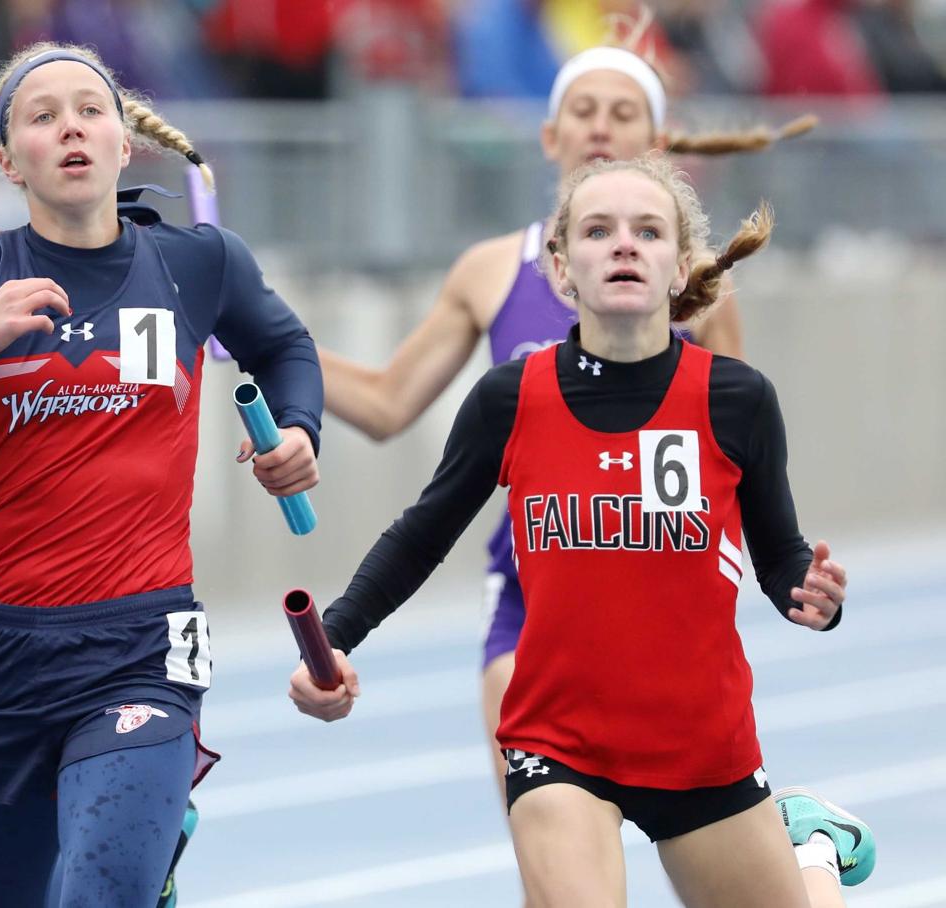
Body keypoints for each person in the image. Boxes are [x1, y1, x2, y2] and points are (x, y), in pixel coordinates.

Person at [0, 42, 323, 908]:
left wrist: (298, 430)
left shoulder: (196, 263)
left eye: (89, 110)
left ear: (123, 142)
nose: (69, 126)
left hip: (140, 648)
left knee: (96, 897)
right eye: (42, 117)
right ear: (7, 160)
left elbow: (287, 346)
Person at [291, 154, 872, 906]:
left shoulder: (736, 400)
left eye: (647, 231)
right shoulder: (510, 400)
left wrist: (815, 596)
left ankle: (813, 850)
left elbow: (781, 557)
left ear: (679, 268)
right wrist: (335, 636)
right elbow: (421, 534)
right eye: (598, 231)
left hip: (702, 747)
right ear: (561, 272)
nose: (624, 244)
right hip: (557, 742)